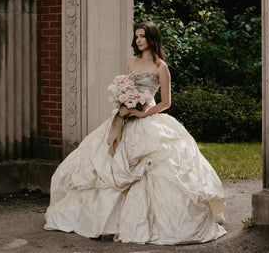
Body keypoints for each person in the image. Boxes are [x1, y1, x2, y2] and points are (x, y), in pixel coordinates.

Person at [44, 21, 226, 245]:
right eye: (137, 36)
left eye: (143, 36)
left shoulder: (161, 67)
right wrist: (123, 104)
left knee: (154, 166)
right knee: (98, 161)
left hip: (145, 118)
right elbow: (123, 89)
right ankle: (102, 219)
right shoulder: (130, 61)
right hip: (123, 118)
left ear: (152, 38)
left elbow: (166, 102)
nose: (139, 40)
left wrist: (142, 114)